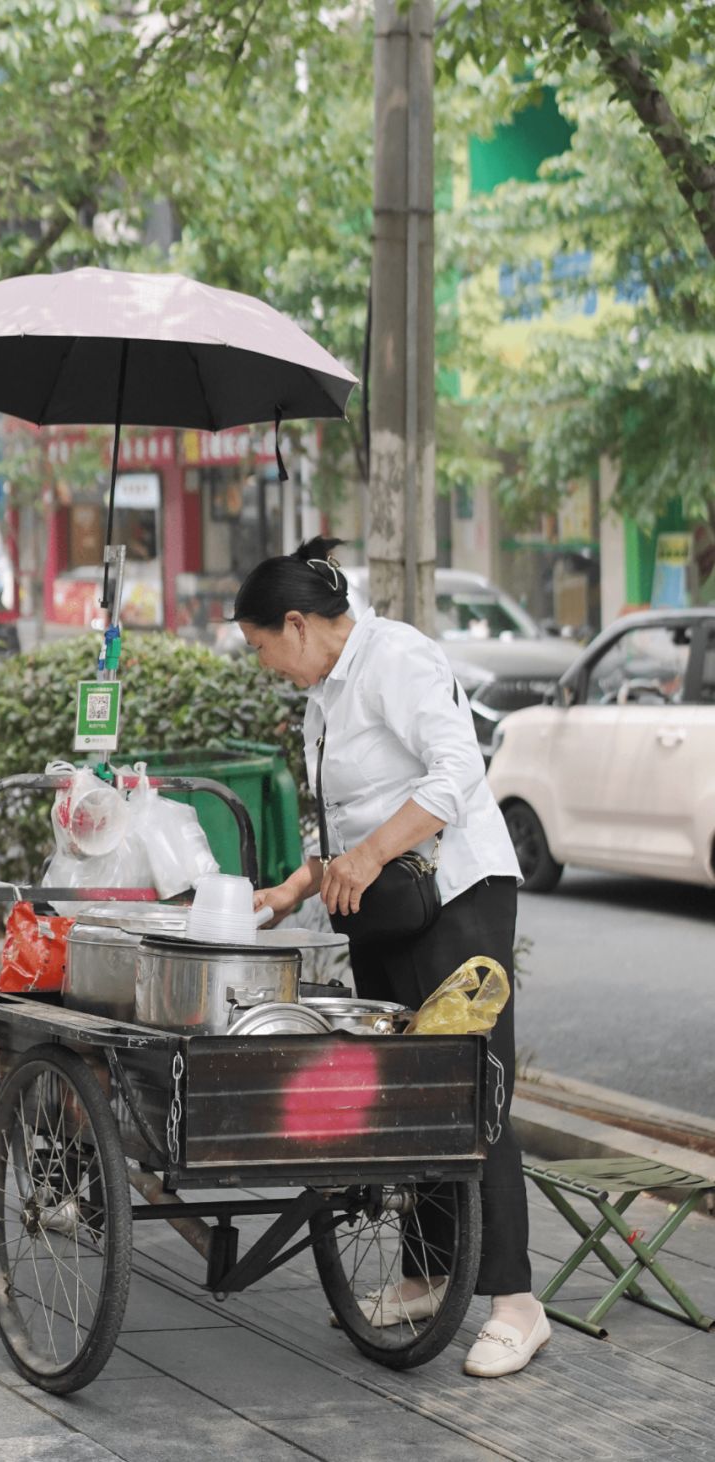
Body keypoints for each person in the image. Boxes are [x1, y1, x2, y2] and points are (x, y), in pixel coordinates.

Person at [236, 536, 549, 1380]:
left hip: (457, 898)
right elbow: (350, 820)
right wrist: (295, 887)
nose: (266, 664)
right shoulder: (324, 697)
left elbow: (457, 774)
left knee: (469, 1089)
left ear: (297, 624)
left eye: (262, 646)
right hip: (385, 910)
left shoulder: (396, 658)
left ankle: (516, 1303)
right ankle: (426, 1272)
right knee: (404, 1090)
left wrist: (371, 855)